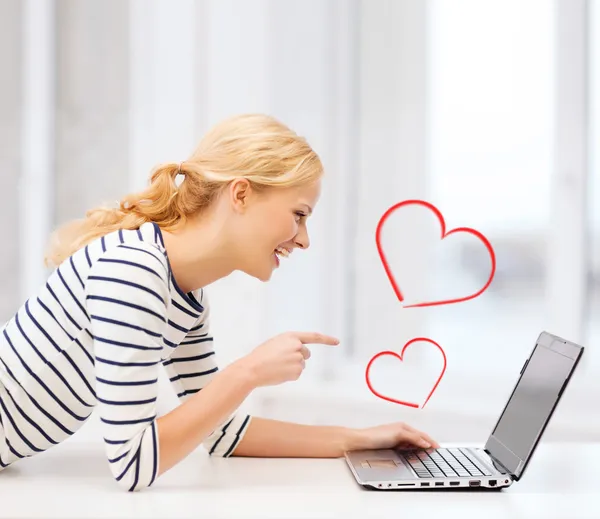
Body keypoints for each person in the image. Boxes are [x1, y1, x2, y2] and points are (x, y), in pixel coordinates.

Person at [0, 113, 438, 492]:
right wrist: (247, 372)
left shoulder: (184, 293)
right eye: (299, 214)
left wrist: (360, 439)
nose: (304, 239)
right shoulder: (134, 271)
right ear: (241, 194)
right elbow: (132, 464)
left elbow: (221, 432)